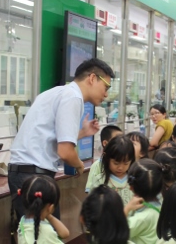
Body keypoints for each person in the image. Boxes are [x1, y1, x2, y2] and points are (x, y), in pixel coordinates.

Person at [8, 57, 114, 218]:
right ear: (92, 78)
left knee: (42, 236)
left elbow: (52, 139)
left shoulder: (57, 92)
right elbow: (65, 152)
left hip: (26, 173)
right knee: (46, 239)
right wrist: (79, 165)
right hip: (32, 176)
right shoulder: (73, 97)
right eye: (106, 87)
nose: (106, 94)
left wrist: (82, 133)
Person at [86, 135, 135, 206]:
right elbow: (92, 205)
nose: (120, 167)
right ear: (107, 158)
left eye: (126, 163)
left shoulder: (134, 180)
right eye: (116, 163)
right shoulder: (99, 180)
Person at [86, 124, 122, 192]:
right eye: (117, 140)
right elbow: (91, 193)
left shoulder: (126, 163)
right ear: (105, 143)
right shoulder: (97, 165)